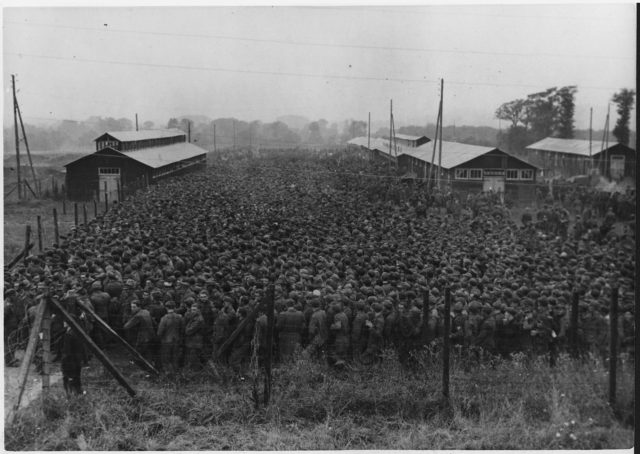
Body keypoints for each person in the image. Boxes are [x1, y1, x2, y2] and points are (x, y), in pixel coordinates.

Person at [157, 301, 184, 374]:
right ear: (175, 307)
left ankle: (168, 373)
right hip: (176, 340)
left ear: (166, 308)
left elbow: (160, 332)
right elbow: (182, 329)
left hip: (166, 341)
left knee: (166, 358)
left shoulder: (164, 318)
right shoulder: (179, 317)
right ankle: (176, 373)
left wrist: (160, 338)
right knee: (175, 358)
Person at [61, 318, 85, 396]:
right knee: (77, 377)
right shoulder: (77, 332)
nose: (63, 322)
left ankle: (69, 395)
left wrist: (64, 362)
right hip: (77, 359)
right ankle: (78, 392)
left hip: (70, 361)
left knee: (68, 378)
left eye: (65, 320)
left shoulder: (68, 334)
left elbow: (67, 351)